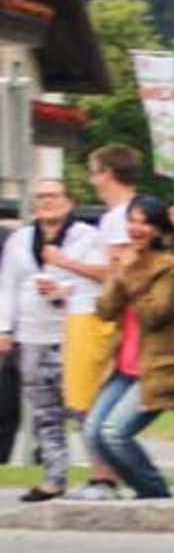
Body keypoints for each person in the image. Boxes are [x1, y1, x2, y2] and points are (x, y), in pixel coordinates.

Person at [0, 177, 107, 501]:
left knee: (82, 407)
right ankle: (53, 476)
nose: (47, 202)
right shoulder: (20, 239)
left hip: (71, 331)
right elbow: (9, 285)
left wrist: (63, 290)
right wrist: (5, 329)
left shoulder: (87, 236)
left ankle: (100, 475)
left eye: (54, 196)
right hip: (31, 334)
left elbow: (102, 280)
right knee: (45, 411)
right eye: (41, 197)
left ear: (69, 201)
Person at [84, 196, 174, 500]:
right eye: (132, 220)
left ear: (158, 230)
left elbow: (155, 314)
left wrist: (131, 274)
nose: (136, 228)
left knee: (114, 433)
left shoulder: (169, 268)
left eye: (144, 222)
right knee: (93, 430)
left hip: (155, 368)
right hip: (124, 366)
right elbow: (105, 310)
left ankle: (154, 491)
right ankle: (144, 492)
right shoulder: (127, 263)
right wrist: (119, 272)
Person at [56, 145, 147, 499]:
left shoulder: (119, 217)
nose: (93, 180)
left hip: (105, 318)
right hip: (105, 314)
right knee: (89, 400)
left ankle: (104, 476)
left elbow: (118, 271)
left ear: (107, 173)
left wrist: (65, 263)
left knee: (89, 398)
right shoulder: (125, 213)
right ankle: (104, 475)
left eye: (95, 172)